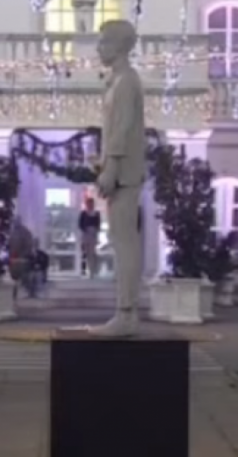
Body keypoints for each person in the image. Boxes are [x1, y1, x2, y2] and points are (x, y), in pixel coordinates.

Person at [91, 19, 146, 337]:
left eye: (104, 42)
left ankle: (127, 314)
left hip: (125, 172)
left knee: (125, 242)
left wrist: (111, 167)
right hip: (119, 168)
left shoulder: (126, 81)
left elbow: (122, 129)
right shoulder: (117, 81)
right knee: (120, 239)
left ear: (120, 45)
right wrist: (103, 162)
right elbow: (115, 129)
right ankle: (124, 312)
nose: (98, 48)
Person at [8, 216, 34, 300]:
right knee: (14, 278)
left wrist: (23, 256)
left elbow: (28, 245)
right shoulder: (12, 232)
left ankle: (30, 292)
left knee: (23, 277)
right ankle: (14, 294)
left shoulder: (25, 233)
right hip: (13, 258)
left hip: (22, 259)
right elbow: (10, 245)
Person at [79, 197, 102, 278]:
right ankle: (88, 270)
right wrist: (86, 230)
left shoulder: (97, 213)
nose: (90, 205)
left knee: (93, 253)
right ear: (86, 204)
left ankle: (93, 270)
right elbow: (80, 224)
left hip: (93, 234)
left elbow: (98, 224)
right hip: (86, 235)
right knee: (87, 253)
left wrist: (95, 231)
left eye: (91, 203)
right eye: (88, 204)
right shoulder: (83, 213)